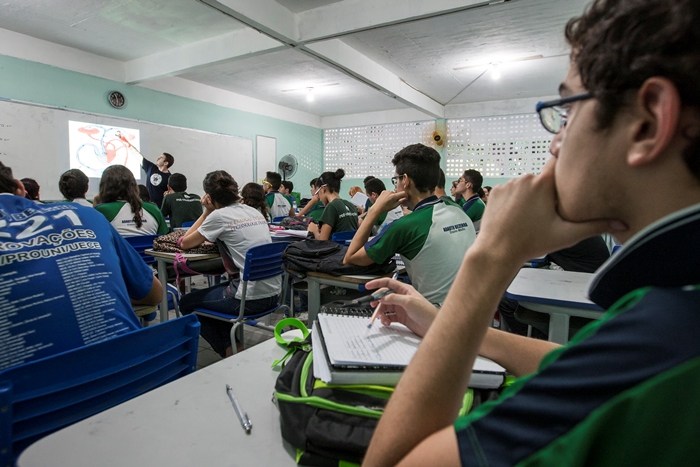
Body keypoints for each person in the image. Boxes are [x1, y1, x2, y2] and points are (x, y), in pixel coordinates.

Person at [362, 1, 700, 464]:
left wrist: (491, 258)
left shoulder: (666, 339)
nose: (556, 142)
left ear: (648, 122)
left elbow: (391, 461)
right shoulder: (669, 310)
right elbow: (587, 367)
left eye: (566, 112)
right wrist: (445, 323)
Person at [0, 161, 162, 371]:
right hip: (132, 373)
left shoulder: (100, 211)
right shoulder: (90, 216)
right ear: (18, 188)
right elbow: (154, 292)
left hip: (28, 395)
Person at [344, 144, 476, 305]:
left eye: (396, 180)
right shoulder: (457, 209)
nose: (395, 186)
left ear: (405, 180)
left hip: (436, 319)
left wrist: (375, 209)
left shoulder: (405, 226)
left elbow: (350, 258)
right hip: (471, 308)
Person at [178, 171, 281, 357]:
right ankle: (232, 345)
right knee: (218, 293)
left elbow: (185, 242)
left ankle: (231, 350)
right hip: (274, 294)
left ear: (209, 196)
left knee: (187, 302)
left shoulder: (220, 216)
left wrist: (207, 211)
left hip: (248, 300)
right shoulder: (253, 211)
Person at [498, 235, 611, 339]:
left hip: (583, 291)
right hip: (585, 283)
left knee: (505, 301)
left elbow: (525, 247)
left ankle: (539, 342)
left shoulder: (563, 229)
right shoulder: (574, 223)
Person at [95, 165, 168, 237]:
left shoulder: (100, 210)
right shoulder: (153, 209)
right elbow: (164, 238)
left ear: (104, 187)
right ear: (133, 185)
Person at [307, 169, 358, 240]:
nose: (319, 198)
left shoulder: (331, 206)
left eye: (318, 193)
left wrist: (314, 231)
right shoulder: (351, 205)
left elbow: (322, 241)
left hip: (335, 249)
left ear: (323, 189)